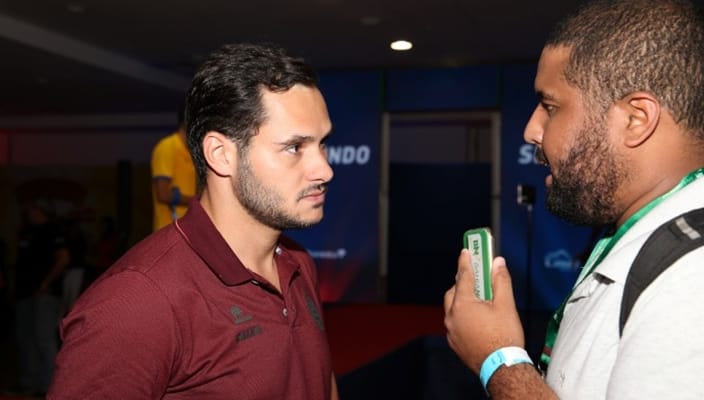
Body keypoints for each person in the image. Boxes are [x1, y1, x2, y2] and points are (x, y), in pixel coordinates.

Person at [444, 0, 704, 399]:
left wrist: (498, 360)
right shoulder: (650, 239)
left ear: (636, 119)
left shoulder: (691, 278)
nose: (532, 130)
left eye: (550, 106)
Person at [49, 43, 339, 399]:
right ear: (221, 154)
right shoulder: (135, 300)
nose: (325, 169)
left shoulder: (298, 263)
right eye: (294, 147)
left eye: (322, 144)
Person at [10, 199, 70, 396]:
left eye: (31, 208)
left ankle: (49, 386)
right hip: (25, 293)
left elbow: (63, 259)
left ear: (40, 210)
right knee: (25, 338)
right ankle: (29, 383)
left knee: (43, 338)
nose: (27, 211)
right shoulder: (27, 231)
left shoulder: (53, 230)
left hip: (45, 294)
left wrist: (45, 284)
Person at [150, 103, 197, 231]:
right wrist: (199, 202)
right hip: (169, 231)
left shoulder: (194, 152)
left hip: (189, 228)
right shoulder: (167, 147)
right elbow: (163, 194)